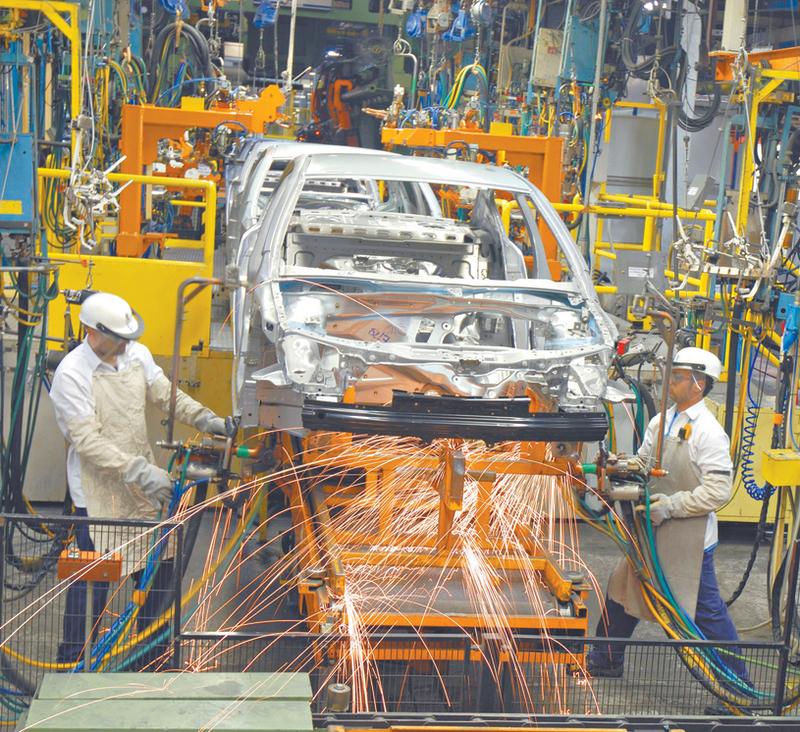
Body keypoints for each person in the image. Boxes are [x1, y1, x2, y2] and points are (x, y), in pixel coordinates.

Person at [50, 292, 227, 666]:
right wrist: (141, 472)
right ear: (92, 333)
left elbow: (166, 395)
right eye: (118, 338)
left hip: (143, 493)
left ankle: (151, 660)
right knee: (92, 585)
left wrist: (205, 418)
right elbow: (87, 442)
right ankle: (72, 666)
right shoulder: (72, 374)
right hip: (97, 497)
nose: (125, 345)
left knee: (158, 576)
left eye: (128, 337)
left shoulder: (135, 355)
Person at [587, 346, 749, 681]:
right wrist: (622, 464)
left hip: (689, 541)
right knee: (622, 589)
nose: (669, 382)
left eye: (678, 377)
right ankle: (606, 659)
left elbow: (718, 492)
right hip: (652, 528)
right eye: (671, 374)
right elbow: (646, 462)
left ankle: (735, 683)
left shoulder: (709, 432)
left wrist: (672, 506)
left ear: (699, 384)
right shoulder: (662, 420)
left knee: (705, 613)